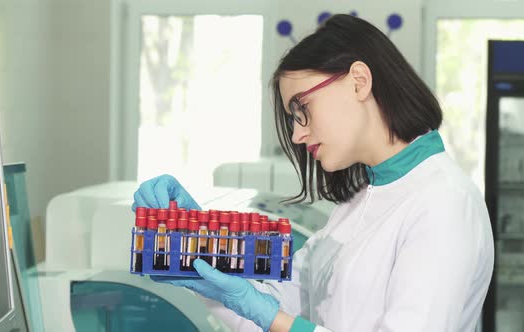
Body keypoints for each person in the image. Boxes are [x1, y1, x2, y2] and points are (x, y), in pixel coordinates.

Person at [131, 14, 494, 332]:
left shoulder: (443, 204)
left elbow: (274, 316)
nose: (296, 134)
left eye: (301, 108)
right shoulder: (359, 201)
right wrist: (198, 242)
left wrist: (268, 315)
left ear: (359, 81)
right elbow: (281, 304)